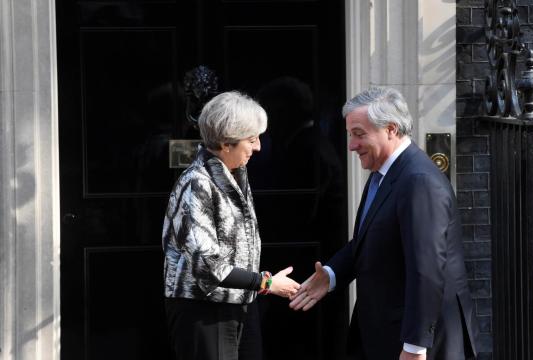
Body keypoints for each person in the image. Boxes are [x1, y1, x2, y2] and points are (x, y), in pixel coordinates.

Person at [290, 87, 479, 360]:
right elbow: (373, 238)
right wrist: (331, 275)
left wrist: (415, 347)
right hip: (384, 331)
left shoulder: (418, 181)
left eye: (359, 134)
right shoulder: (385, 172)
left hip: (416, 343)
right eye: (350, 135)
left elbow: (426, 269)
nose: (351, 145)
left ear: (390, 129)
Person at [162, 91, 300, 360]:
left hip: (241, 305)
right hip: (203, 311)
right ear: (226, 143)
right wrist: (266, 282)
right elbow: (206, 264)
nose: (258, 147)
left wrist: (259, 283)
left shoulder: (235, 173)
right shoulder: (197, 183)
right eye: (251, 140)